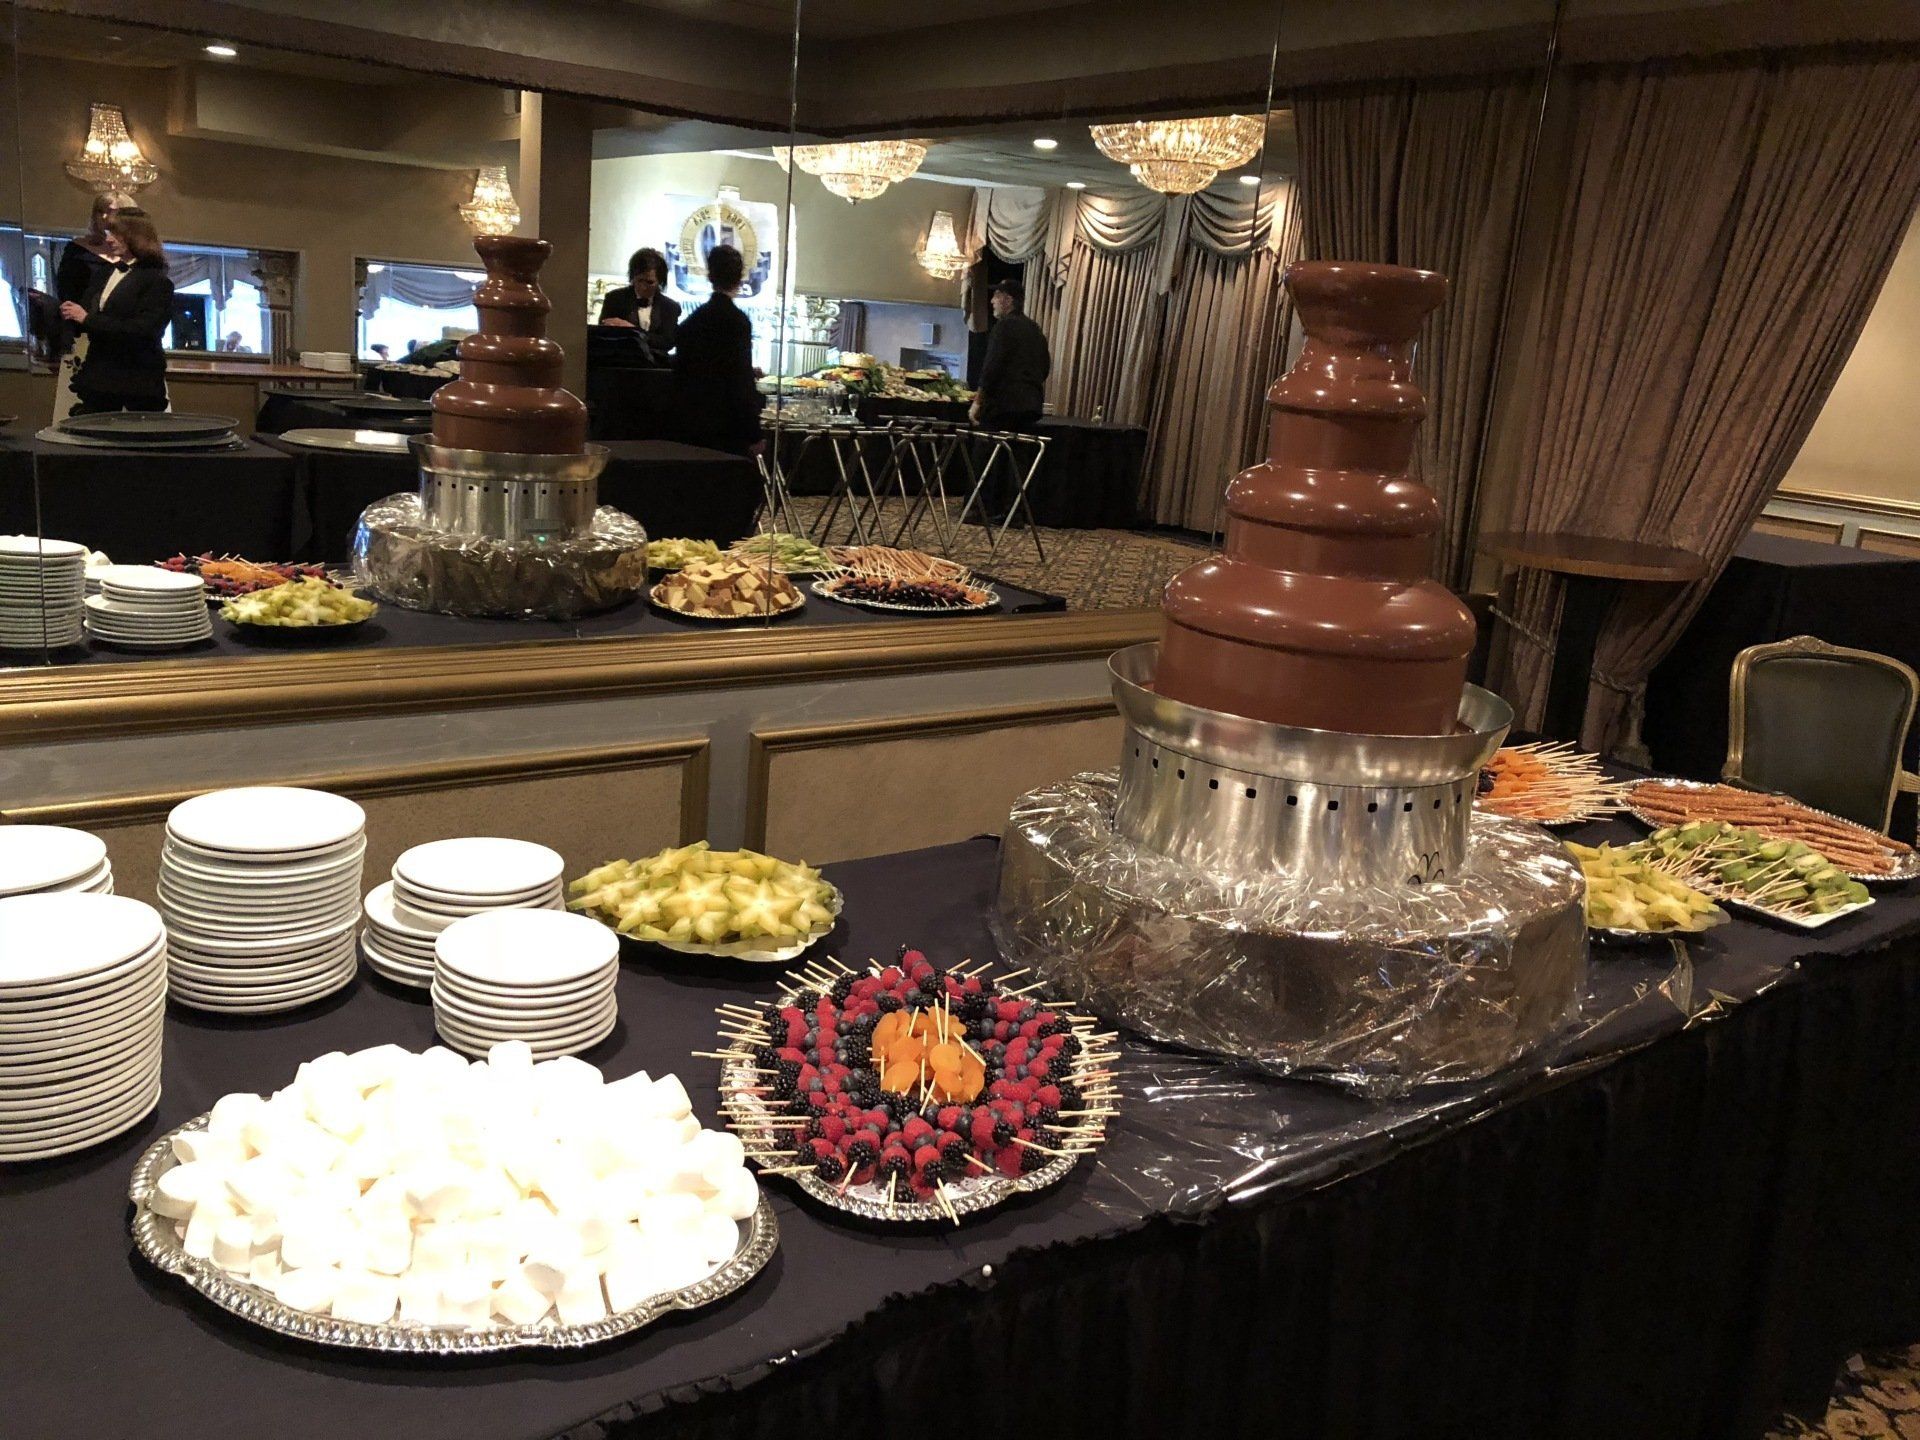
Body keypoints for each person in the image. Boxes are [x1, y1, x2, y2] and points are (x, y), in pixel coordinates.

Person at [59, 209, 174, 415]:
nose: (108, 239)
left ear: (134, 236)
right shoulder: (105, 272)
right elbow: (88, 311)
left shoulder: (157, 282)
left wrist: (87, 318)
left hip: (137, 382)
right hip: (99, 377)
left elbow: (143, 329)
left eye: (115, 234)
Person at [672, 243, 763, 456]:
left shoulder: (690, 323)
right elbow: (740, 380)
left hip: (691, 422)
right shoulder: (738, 322)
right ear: (740, 277)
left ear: (709, 275)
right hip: (727, 426)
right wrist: (754, 432)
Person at [50, 193, 125, 421]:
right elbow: (66, 294)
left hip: (125, 340)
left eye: (113, 212)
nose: (106, 217)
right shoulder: (77, 250)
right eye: (101, 211)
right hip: (83, 336)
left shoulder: (135, 258)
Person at [969, 279, 1050, 432]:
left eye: (996, 296)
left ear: (1008, 300)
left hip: (1003, 408)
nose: (992, 301)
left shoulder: (1003, 326)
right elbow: (1045, 367)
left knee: (988, 453)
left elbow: (991, 367)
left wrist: (977, 402)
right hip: (1031, 408)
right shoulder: (1035, 329)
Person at [598, 246, 680, 363]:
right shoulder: (615, 299)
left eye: (650, 282)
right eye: (639, 280)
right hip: (620, 366)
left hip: (656, 370)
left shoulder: (670, 307)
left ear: (660, 281)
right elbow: (603, 336)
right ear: (632, 277)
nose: (643, 287)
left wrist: (632, 330)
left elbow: (667, 342)